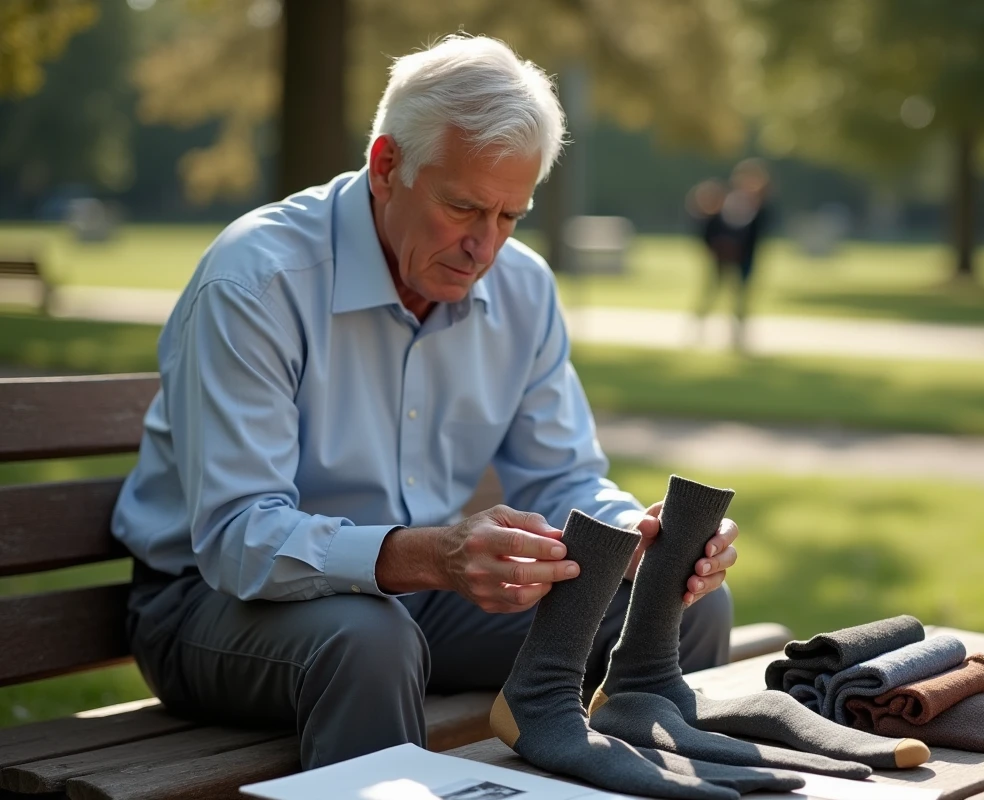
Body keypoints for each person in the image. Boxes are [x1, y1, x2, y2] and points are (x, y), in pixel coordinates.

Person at [109, 35, 740, 771]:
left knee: (679, 609)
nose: (486, 247)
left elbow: (564, 478)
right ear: (386, 167)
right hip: (211, 606)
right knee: (368, 638)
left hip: (414, 602)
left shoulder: (524, 289)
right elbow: (238, 537)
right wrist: (433, 556)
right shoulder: (257, 282)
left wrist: (641, 539)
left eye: (510, 216)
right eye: (463, 207)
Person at [693, 158, 772, 351]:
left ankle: (738, 335)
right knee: (713, 291)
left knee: (741, 296)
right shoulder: (729, 202)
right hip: (723, 255)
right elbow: (713, 226)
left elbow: (759, 230)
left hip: (745, 256)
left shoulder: (759, 207)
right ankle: (698, 329)